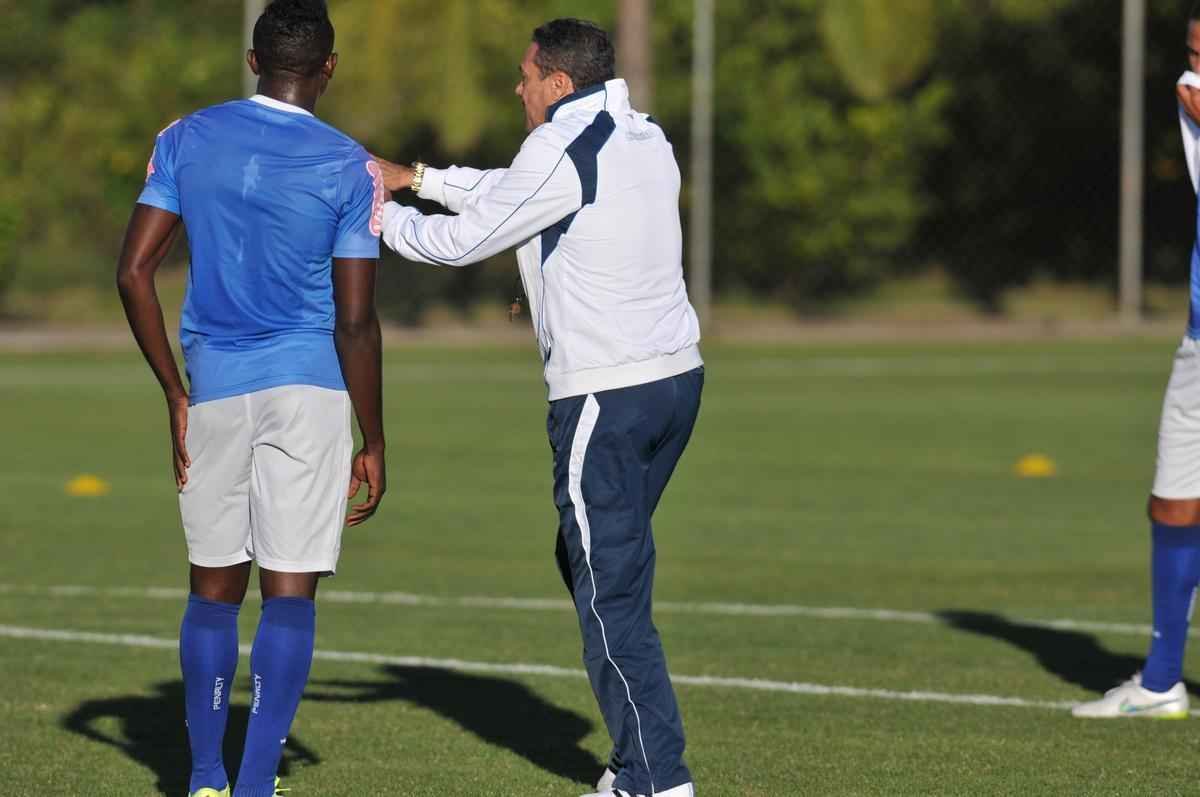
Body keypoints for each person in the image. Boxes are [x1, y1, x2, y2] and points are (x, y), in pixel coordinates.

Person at [372, 18, 701, 797]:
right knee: (592, 564)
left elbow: (462, 242)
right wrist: (417, 176)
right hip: (673, 386)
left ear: (558, 82)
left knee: (607, 590)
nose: (517, 87)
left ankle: (655, 780)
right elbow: (521, 196)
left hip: (605, 397)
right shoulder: (642, 134)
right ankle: (639, 763)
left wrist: (374, 217)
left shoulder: (558, 146)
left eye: (526, 75)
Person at [115, 1, 387, 793]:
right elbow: (357, 319)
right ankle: (255, 781)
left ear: (252, 58)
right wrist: (373, 436)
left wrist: (173, 389)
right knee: (289, 586)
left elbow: (133, 272)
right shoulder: (349, 164)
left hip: (214, 390)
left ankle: (204, 776)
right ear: (329, 66)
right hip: (309, 389)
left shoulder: (185, 137)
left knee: (212, 585)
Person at [1073, 4, 1200, 720]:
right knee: (1173, 502)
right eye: (1192, 47)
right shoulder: (1190, 92)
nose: (1195, 61)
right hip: (1199, 340)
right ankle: (1160, 681)